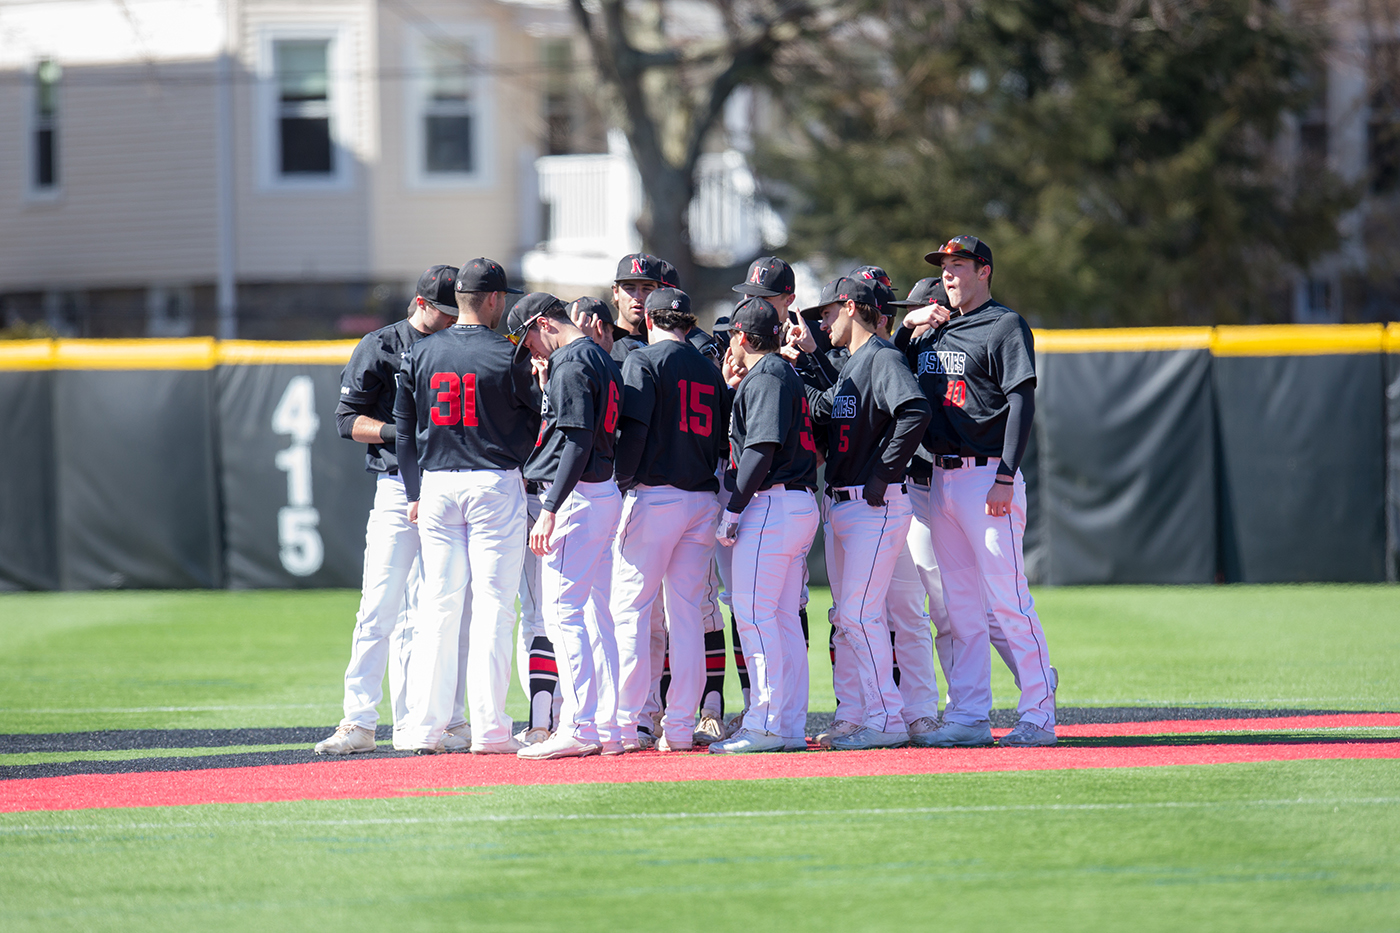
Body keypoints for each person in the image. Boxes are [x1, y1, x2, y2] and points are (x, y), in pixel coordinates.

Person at [908, 236, 1057, 747]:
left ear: (984, 271)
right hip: (943, 479)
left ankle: (1040, 711)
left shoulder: (1004, 324)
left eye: (958, 266)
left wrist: (1006, 476)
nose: (948, 275)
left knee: (1008, 600)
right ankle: (969, 715)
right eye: (944, 267)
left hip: (987, 475)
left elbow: (1022, 403)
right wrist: (911, 329)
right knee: (961, 607)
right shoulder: (933, 331)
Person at [392, 258, 538, 756]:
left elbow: (405, 433)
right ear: (494, 300)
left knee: (438, 607)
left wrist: (413, 493)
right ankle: (491, 730)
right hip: (493, 483)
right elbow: (537, 425)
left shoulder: (421, 352)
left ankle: (425, 727)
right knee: (494, 610)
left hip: (435, 485)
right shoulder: (510, 354)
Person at [314, 265, 460, 755]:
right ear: (422, 303)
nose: (450, 320)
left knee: (437, 611)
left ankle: (426, 722)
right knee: (378, 608)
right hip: (398, 487)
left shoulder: (458, 344)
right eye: (444, 311)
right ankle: (357, 720)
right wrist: (398, 432)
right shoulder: (379, 345)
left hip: (445, 486)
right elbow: (345, 420)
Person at [800, 276, 931, 750]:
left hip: (873, 503)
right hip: (843, 503)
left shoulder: (882, 357)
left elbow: (915, 411)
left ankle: (888, 719)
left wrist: (884, 473)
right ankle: (855, 714)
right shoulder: (853, 363)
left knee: (859, 613)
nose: (824, 321)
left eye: (830, 312)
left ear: (851, 308)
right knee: (846, 615)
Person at [611, 287, 728, 752]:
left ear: (650, 321)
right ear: (687, 321)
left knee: (630, 611)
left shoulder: (642, 359)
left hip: (655, 496)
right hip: (701, 499)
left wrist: (622, 483)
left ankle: (622, 726)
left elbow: (634, 431)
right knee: (686, 617)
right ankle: (679, 727)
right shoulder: (707, 367)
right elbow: (723, 442)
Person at [511, 293, 627, 760]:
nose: (531, 350)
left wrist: (552, 507)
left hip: (578, 495)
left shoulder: (572, 361)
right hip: (603, 491)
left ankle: (578, 726)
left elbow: (576, 439)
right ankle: (611, 726)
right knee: (598, 615)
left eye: (530, 338)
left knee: (563, 614)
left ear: (544, 323)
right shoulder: (599, 355)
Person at [709, 297, 820, 754]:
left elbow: (761, 449)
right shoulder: (779, 373)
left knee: (755, 618)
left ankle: (767, 722)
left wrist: (732, 508)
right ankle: (788, 724)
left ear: (740, 336)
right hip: (793, 503)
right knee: (781, 620)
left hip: (773, 504)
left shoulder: (769, 375)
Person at [610, 253, 668, 364]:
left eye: (647, 288)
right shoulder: (602, 345)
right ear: (616, 292)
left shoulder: (670, 346)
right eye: (630, 288)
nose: (638, 297)